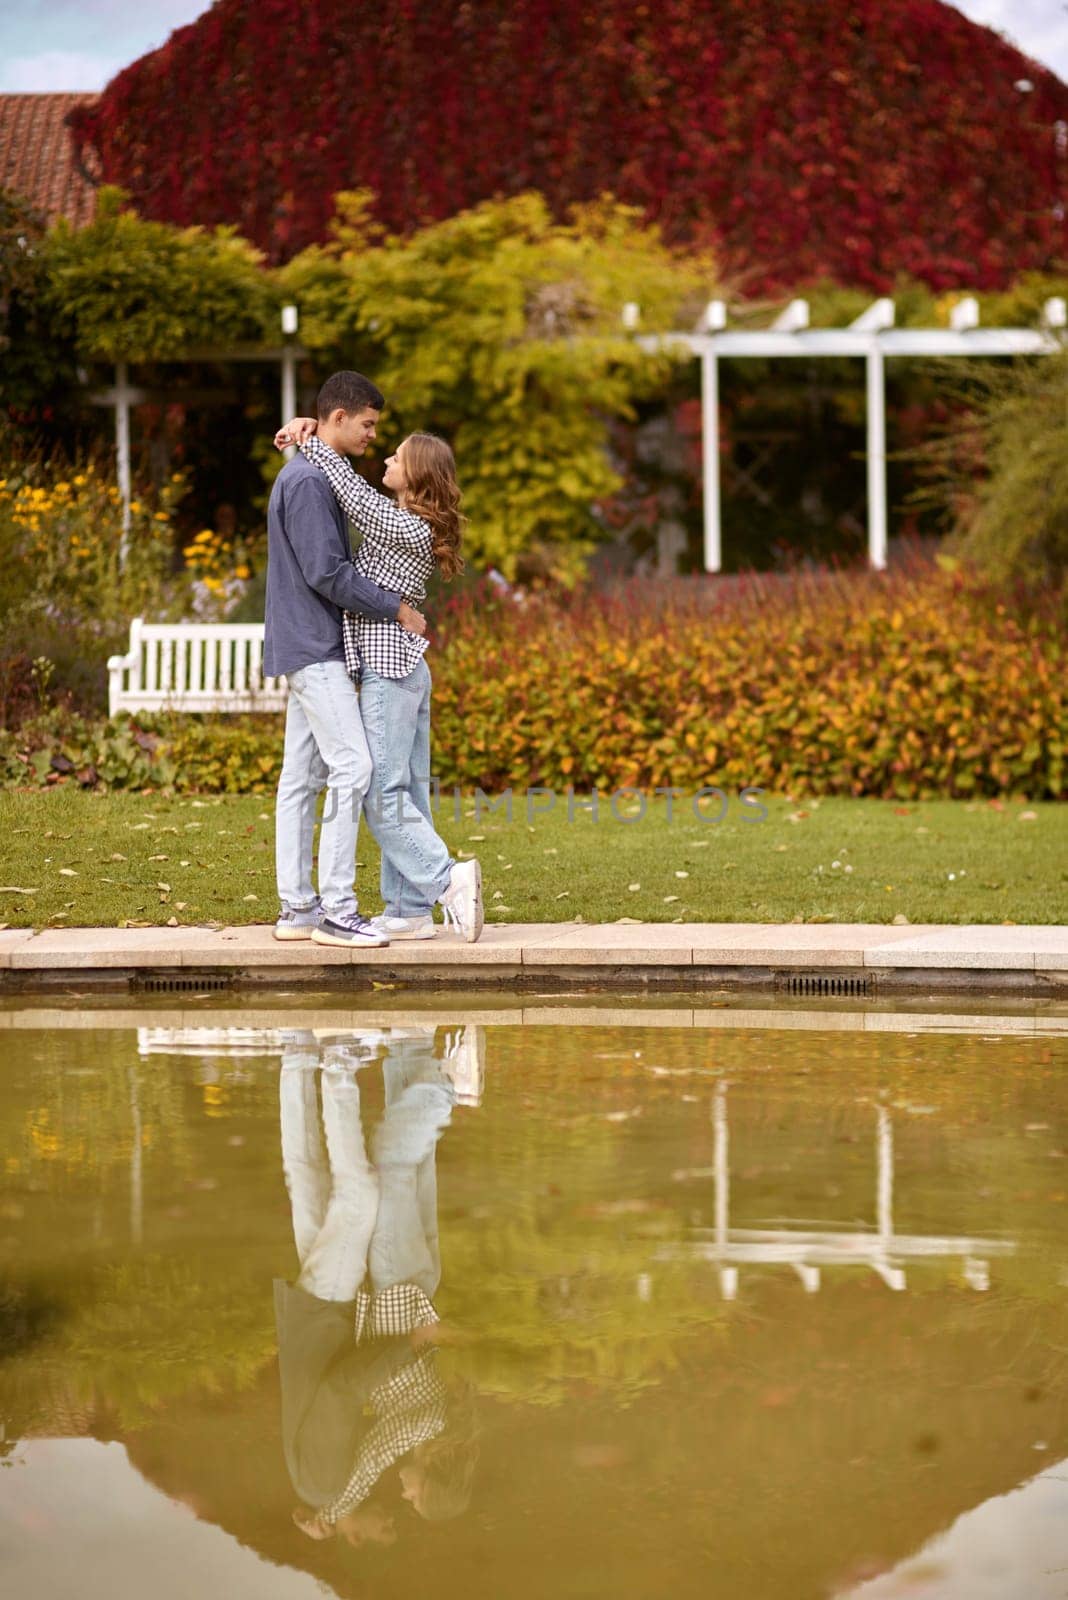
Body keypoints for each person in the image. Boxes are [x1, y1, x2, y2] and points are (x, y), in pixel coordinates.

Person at [275, 414, 482, 943]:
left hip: (390, 673)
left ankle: (445, 878)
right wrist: (307, 428)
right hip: (409, 670)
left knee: (380, 796)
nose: (385, 460)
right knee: (409, 791)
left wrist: (310, 439)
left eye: (397, 458)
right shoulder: (411, 522)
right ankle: (410, 909)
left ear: (417, 476)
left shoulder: (406, 525)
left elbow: (351, 494)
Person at [274, 1026, 481, 1549]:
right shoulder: (420, 1428)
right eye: (414, 1500)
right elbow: (369, 1457)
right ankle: (443, 1087)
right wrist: (332, 1512)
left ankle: (412, 1051)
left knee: (411, 1172)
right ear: (435, 1480)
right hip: (396, 1289)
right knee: (389, 1170)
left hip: (418, 1287)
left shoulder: (436, 1422)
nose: (403, 1498)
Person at [265, 371, 427, 950]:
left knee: (300, 778)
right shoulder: (309, 482)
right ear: (338, 417)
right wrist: (396, 606)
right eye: (367, 424)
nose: (372, 436)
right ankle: (336, 910)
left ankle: (297, 909)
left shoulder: (307, 471)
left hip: (303, 642)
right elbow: (327, 573)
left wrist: (297, 435)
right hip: (316, 645)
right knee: (354, 768)